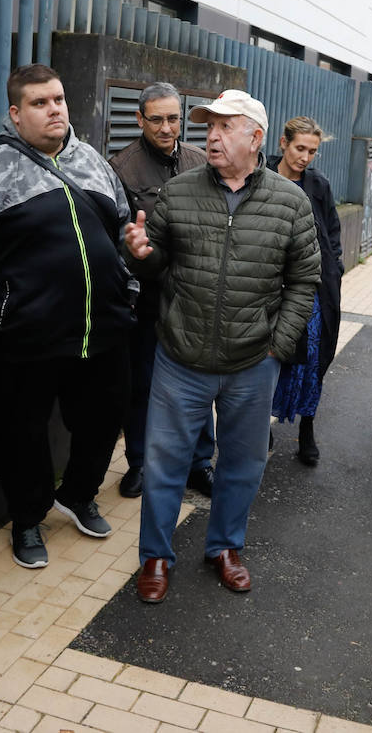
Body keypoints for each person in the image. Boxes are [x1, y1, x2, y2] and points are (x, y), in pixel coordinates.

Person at [123, 89, 320, 603]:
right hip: (180, 356)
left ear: (256, 138)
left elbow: (305, 280)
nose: (210, 134)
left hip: (253, 360)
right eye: (208, 125)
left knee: (242, 463)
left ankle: (225, 547)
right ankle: (156, 558)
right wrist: (140, 255)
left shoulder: (290, 201)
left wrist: (278, 343)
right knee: (164, 463)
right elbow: (155, 262)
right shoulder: (180, 191)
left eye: (225, 126)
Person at [0, 63, 134, 571]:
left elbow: (122, 229)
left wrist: (129, 283)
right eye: (40, 103)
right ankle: (28, 516)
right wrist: (2, 309)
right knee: (23, 433)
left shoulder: (95, 163)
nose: (55, 109)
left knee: (105, 418)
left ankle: (79, 495)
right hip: (26, 338)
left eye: (58, 99)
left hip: (102, 329)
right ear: (15, 114)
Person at [107, 82, 215, 498]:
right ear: (139, 119)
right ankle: (139, 463)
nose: (167, 127)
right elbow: (118, 237)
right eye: (157, 119)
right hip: (146, 295)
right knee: (143, 384)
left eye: (173, 118)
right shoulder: (121, 167)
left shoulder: (200, 160)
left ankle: (199, 463)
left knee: (200, 378)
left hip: (194, 293)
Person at [267, 116, 343, 465]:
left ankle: (306, 429)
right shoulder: (260, 176)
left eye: (312, 151)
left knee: (313, 359)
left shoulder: (319, 185)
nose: (305, 157)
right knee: (267, 357)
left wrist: (335, 269)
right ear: (283, 143)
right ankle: (261, 424)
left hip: (312, 287)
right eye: (300, 148)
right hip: (268, 287)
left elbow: (332, 233)